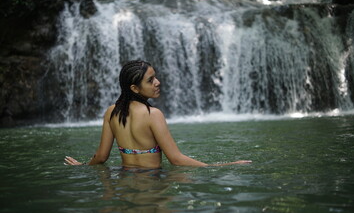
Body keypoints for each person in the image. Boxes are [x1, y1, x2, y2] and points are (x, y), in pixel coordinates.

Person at [64, 60, 251, 168]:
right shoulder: (153, 114)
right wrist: (223, 166)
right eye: (150, 80)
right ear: (135, 88)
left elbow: (101, 157)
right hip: (152, 183)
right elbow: (176, 159)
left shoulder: (111, 112)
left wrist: (82, 167)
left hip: (124, 181)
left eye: (155, 77)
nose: (158, 82)